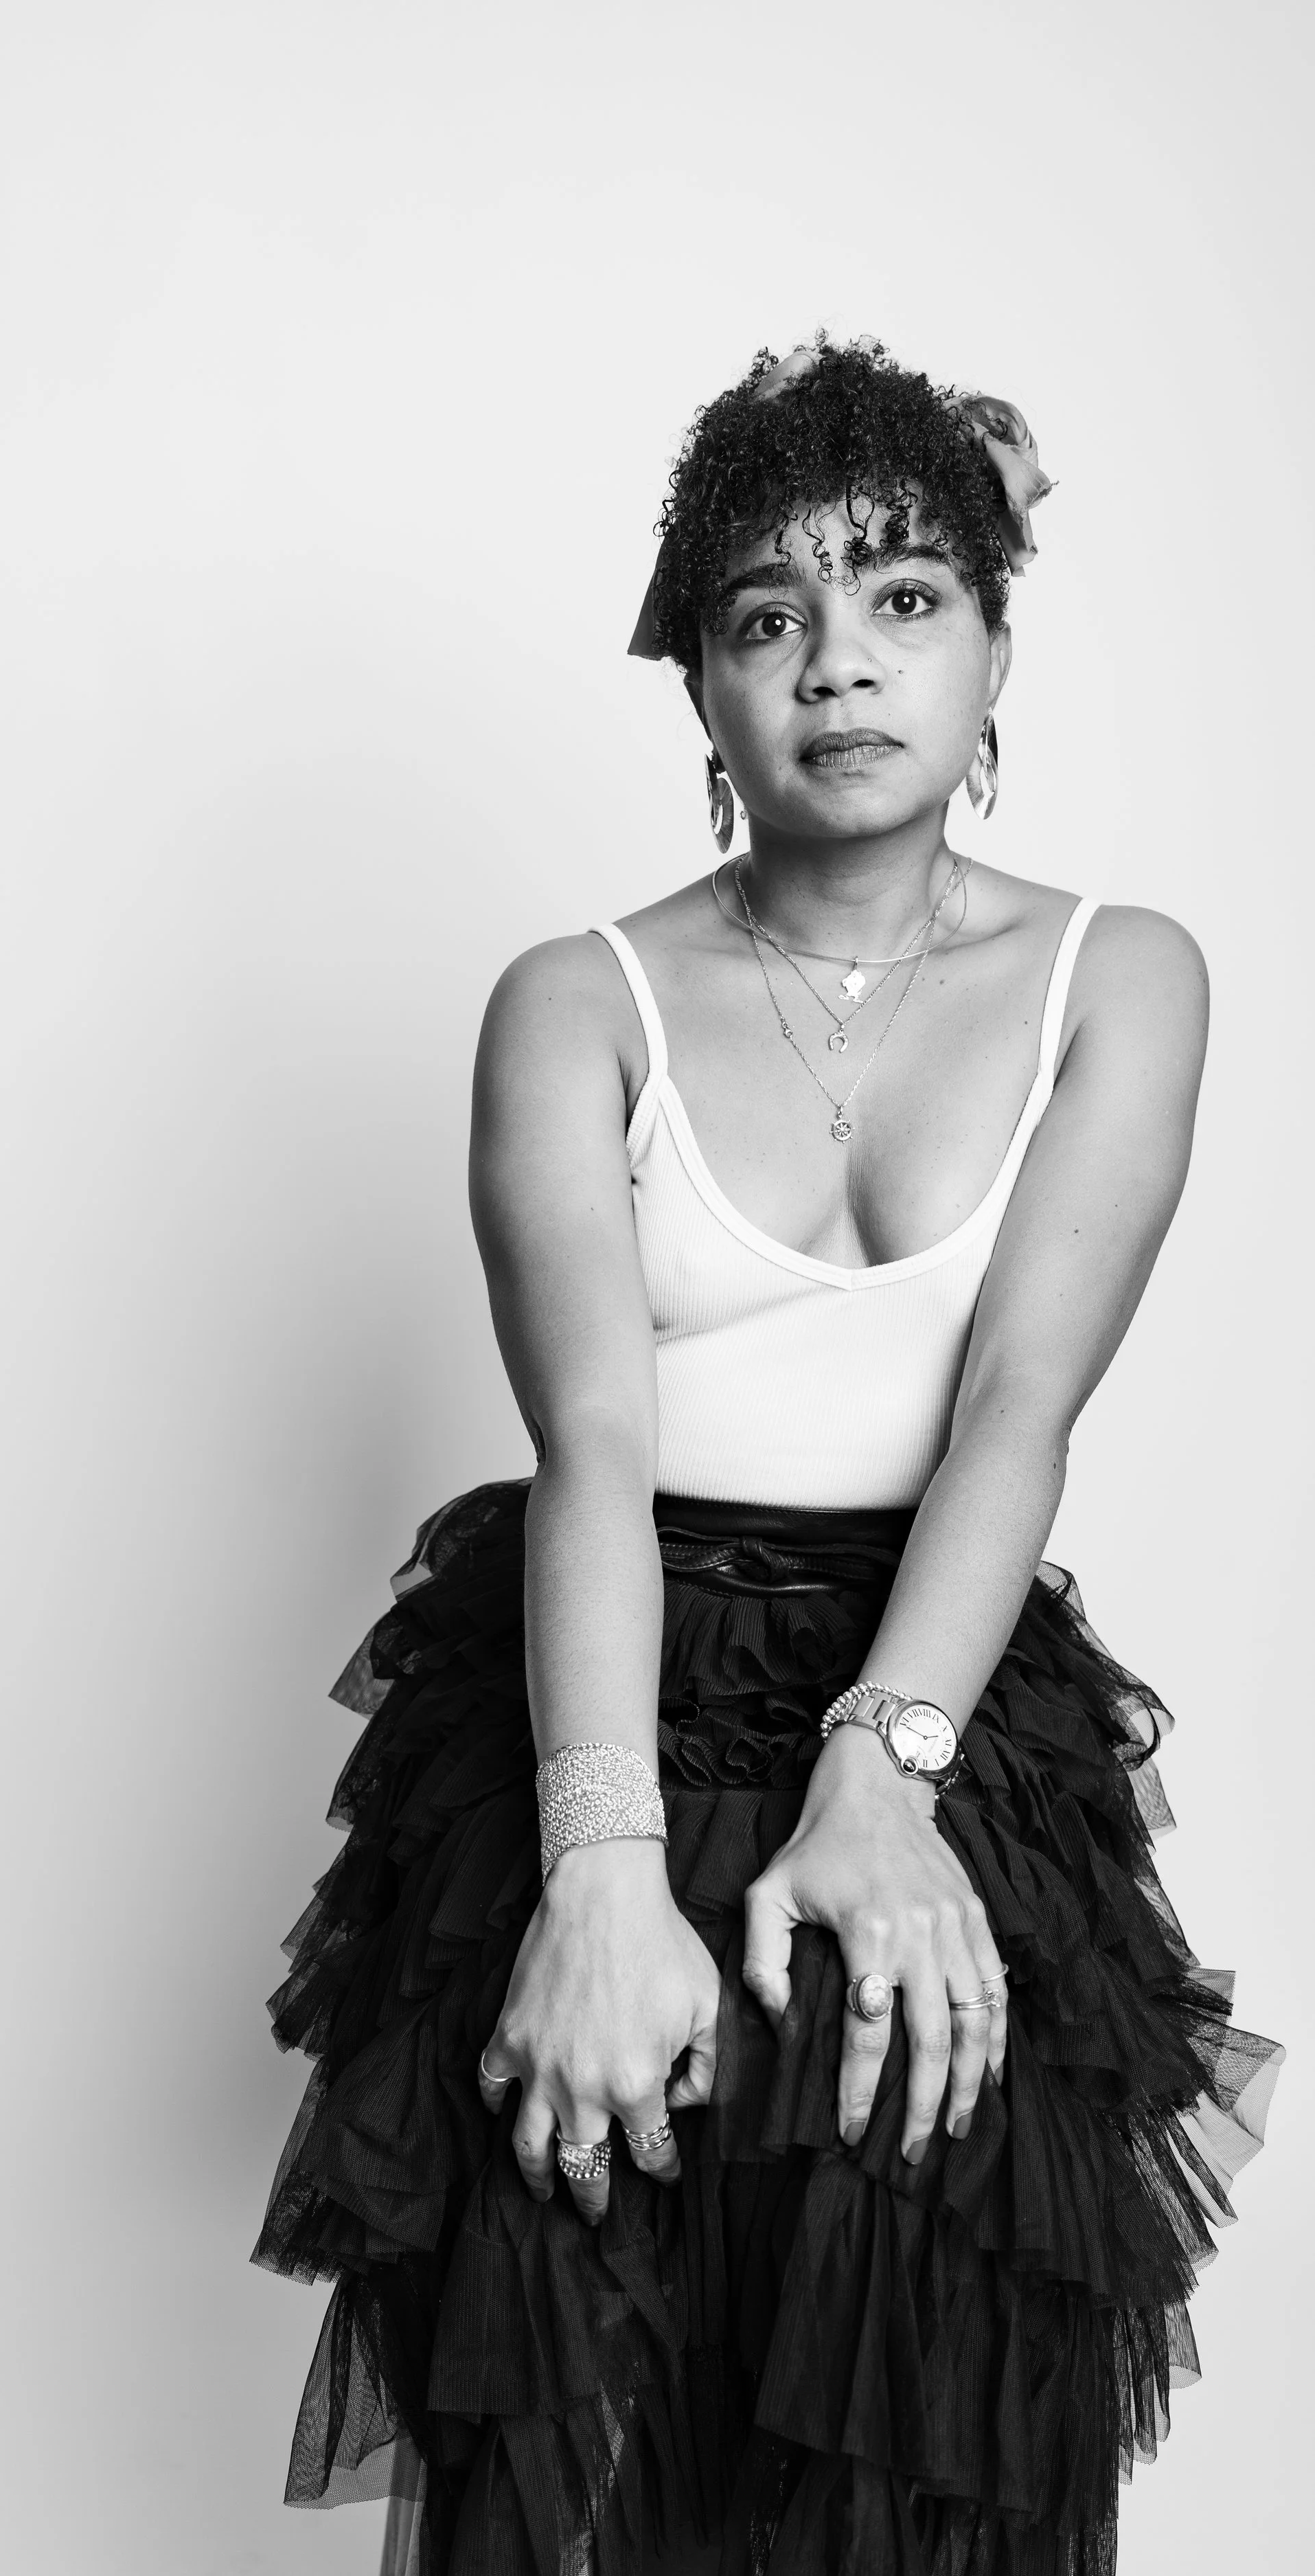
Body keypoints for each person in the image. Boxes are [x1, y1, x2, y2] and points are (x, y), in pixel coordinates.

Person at [253, 337, 1281, 2576]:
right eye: (762, 615)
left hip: (931, 1689)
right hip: (603, 1686)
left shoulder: (1127, 973)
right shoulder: (570, 1000)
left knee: (922, 2421)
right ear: (699, 692)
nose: (836, 664)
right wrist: (600, 1870)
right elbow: (592, 1444)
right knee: (580, 2406)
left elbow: (1016, 1405)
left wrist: (879, 1775)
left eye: (902, 596)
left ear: (995, 639)